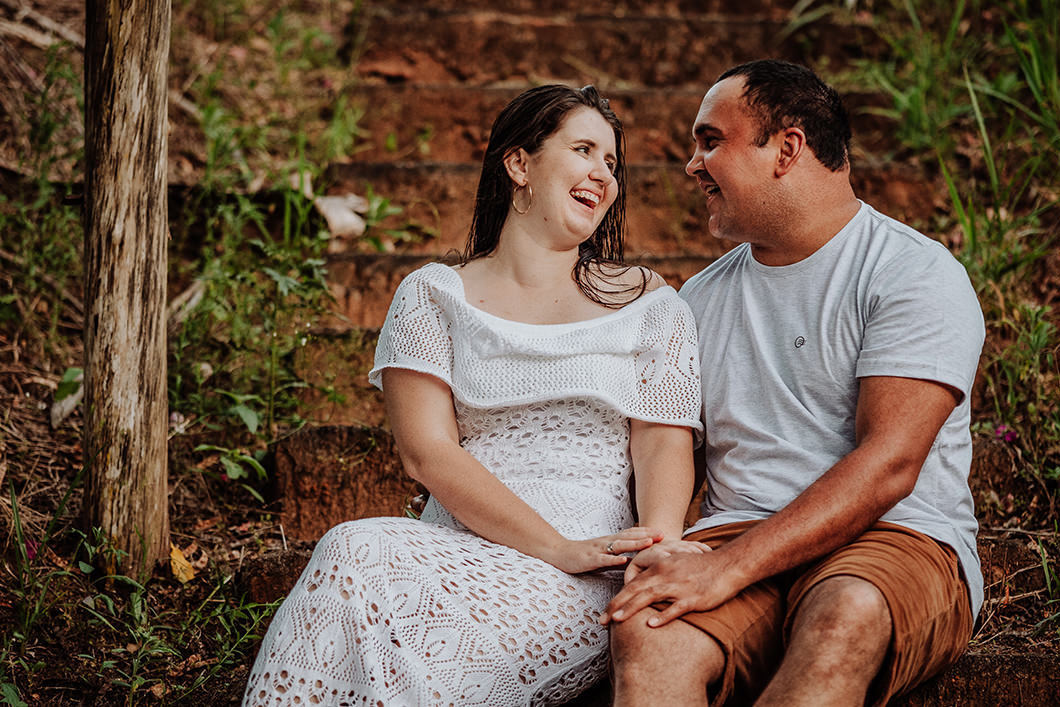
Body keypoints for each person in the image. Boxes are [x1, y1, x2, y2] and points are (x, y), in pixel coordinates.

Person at [243, 84, 705, 706]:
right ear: (519, 165)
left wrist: (657, 543)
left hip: (592, 564)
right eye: (585, 150)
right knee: (354, 546)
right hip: (463, 543)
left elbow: (661, 442)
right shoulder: (433, 294)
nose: (604, 174)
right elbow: (427, 455)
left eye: (613, 163)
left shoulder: (650, 302)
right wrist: (553, 547)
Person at [601, 59, 986, 706]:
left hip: (896, 538)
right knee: (647, 626)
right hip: (739, 535)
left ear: (786, 148)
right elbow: (663, 450)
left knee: (845, 612)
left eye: (711, 141)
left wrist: (726, 569)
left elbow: (890, 465)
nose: (693, 165)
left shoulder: (913, 274)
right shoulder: (696, 300)